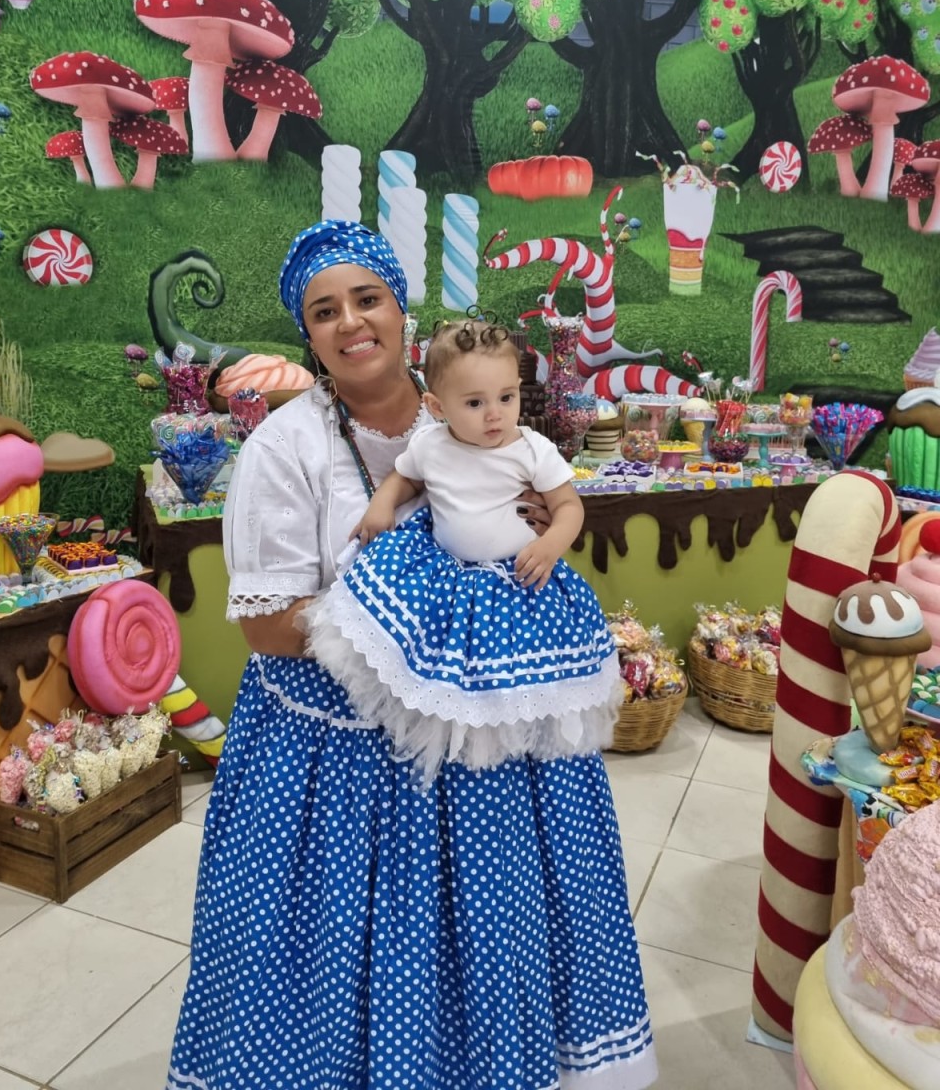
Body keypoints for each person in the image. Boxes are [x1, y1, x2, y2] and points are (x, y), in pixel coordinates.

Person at [167, 219, 658, 1090]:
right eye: (325, 311)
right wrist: (405, 626)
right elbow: (268, 628)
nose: (351, 322)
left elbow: (544, 521)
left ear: (401, 310)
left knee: (497, 938)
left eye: (367, 299)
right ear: (307, 332)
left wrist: (532, 548)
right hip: (336, 758)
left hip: (486, 747)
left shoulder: (484, 416)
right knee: (336, 961)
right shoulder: (287, 448)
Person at [308, 317, 621, 784]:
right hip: (446, 578)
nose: (495, 414)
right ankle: (453, 752)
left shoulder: (532, 449)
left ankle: (508, 756)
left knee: (513, 680)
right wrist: (382, 505)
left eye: (506, 397)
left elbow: (569, 507)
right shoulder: (430, 444)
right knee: (447, 671)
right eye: (475, 402)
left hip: (517, 582)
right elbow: (405, 478)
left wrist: (552, 544)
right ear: (437, 406)